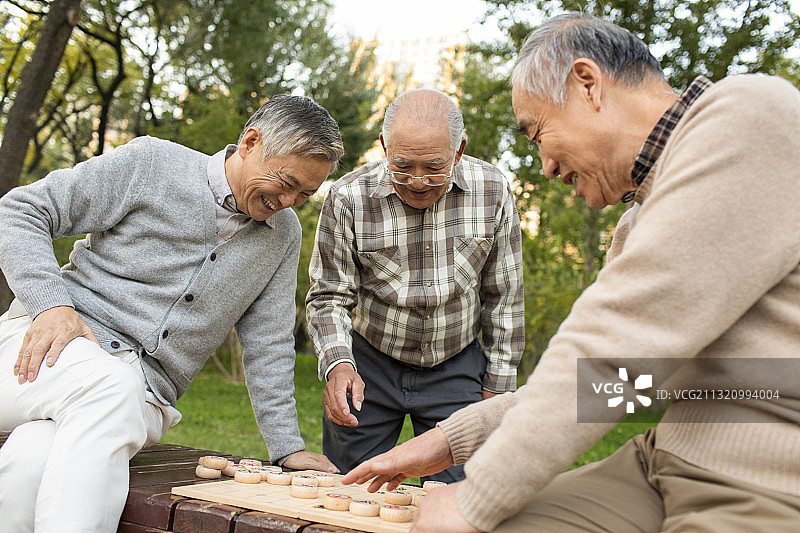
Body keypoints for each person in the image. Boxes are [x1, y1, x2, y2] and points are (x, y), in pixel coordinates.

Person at [342, 13, 800, 532]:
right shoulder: (638, 224)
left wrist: (474, 501)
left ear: (587, 85)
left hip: (769, 478)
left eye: (538, 135)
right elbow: (609, 384)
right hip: (660, 462)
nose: (546, 168)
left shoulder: (751, 115)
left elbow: (614, 344)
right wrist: (448, 441)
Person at [0, 94, 344, 533]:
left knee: (32, 457)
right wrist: (52, 305)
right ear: (250, 141)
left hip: (142, 397)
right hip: (45, 353)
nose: (290, 200)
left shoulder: (283, 236)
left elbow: (270, 345)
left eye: (306, 194)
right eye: (287, 181)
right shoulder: (151, 164)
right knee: (110, 386)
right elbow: (22, 209)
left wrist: (286, 447)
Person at [305, 89, 524, 483]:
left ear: (458, 151)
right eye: (402, 166)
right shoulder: (347, 199)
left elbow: (504, 296)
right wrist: (338, 363)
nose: (418, 181)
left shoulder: (493, 191)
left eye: (434, 167)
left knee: (458, 499)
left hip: (456, 364)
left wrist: (498, 391)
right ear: (385, 146)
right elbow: (328, 297)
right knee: (350, 491)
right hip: (368, 365)